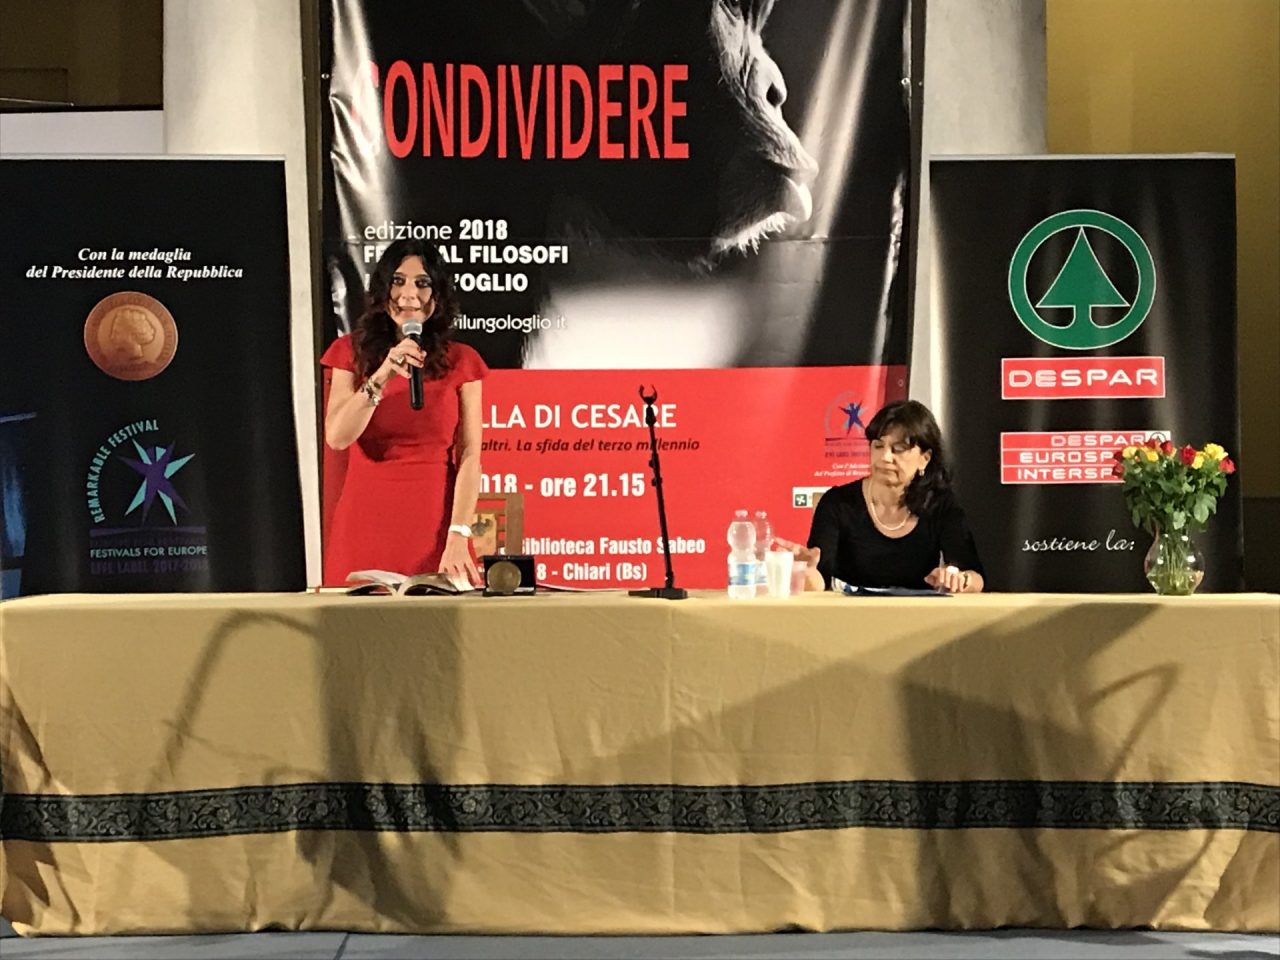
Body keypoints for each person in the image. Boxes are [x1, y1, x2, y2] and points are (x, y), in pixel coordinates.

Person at [321, 239, 488, 586]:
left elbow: (470, 455)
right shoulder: (349, 353)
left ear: (437, 295)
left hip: (436, 526)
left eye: (422, 283)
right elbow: (337, 437)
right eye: (398, 281)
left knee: (438, 618)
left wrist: (459, 533)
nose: (409, 294)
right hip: (365, 522)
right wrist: (382, 376)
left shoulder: (463, 361)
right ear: (383, 289)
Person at [777, 400, 985, 593]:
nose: (885, 457)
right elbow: (820, 581)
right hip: (849, 616)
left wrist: (959, 579)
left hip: (917, 615)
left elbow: (975, 576)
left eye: (898, 449)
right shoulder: (837, 502)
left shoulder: (940, 505)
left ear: (925, 459)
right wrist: (806, 571)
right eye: (878, 446)